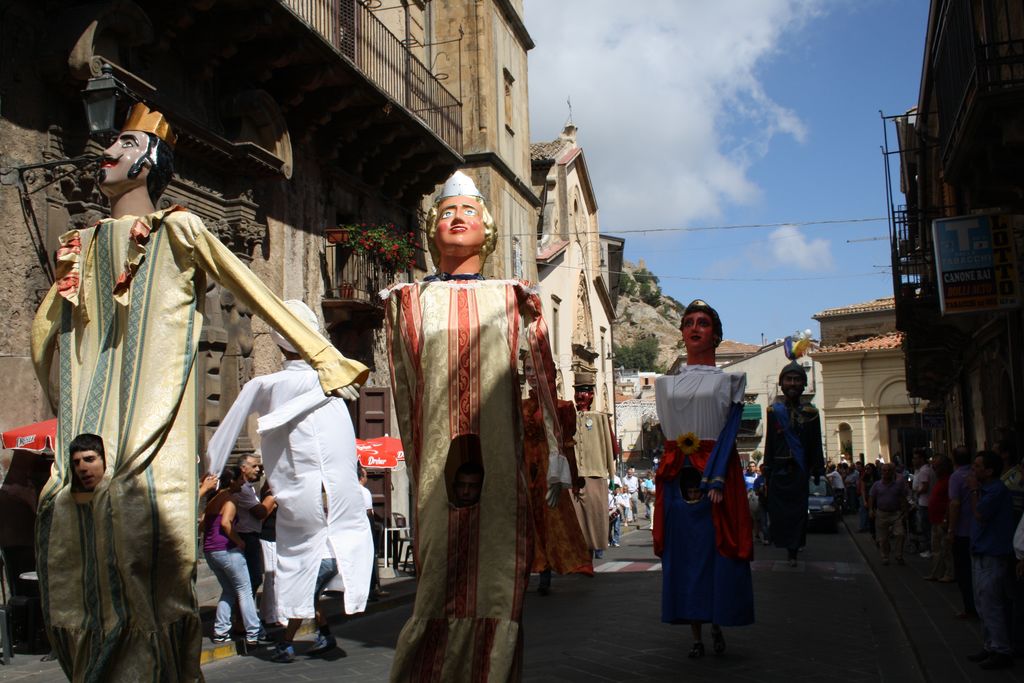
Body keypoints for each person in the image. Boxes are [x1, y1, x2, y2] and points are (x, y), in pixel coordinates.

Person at [29, 104, 368, 680]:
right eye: (111, 144)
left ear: (148, 163)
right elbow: (44, 329)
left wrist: (322, 354)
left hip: (151, 418)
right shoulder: (79, 245)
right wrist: (59, 399)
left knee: (141, 531)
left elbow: (249, 286)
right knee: (68, 523)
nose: (108, 152)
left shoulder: (178, 229)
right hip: (92, 411)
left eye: (125, 145)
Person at [383, 171, 570, 681]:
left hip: (499, 456)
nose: (457, 218)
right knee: (438, 578)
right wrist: (416, 460)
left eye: (468, 211)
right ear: (432, 229)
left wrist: (557, 450)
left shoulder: (512, 296)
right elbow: (405, 389)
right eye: (447, 212)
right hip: (437, 467)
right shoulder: (407, 300)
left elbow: (544, 372)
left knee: (496, 576)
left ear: (486, 228)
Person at [206, 299, 374, 663]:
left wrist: (214, 468)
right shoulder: (335, 379)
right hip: (337, 491)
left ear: (280, 344)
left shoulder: (272, 384)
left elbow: (229, 425)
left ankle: (295, 628)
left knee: (296, 558)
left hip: (298, 492)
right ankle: (317, 621)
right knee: (340, 540)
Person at [654, 299, 754, 659]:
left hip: (717, 476)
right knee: (685, 556)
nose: (695, 328)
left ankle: (718, 621)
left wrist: (716, 477)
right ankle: (695, 633)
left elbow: (729, 433)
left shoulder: (731, 381)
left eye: (703, 323)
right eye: (689, 323)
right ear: (682, 333)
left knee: (717, 552)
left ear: (715, 335)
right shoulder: (665, 385)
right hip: (678, 479)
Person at [521, 370, 592, 595]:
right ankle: (528, 569)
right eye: (527, 369)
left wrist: (573, 476)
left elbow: (568, 445)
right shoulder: (520, 406)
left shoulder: (561, 408)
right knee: (527, 519)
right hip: (526, 468)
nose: (531, 374)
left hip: (548, 469)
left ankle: (546, 571)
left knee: (551, 519)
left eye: (535, 369)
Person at [764, 360, 824, 566]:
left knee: (798, 513)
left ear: (803, 384)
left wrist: (818, 468)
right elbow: (770, 442)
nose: (792, 383)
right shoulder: (773, 412)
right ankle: (782, 540)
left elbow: (816, 442)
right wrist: (767, 467)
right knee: (779, 511)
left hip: (799, 470)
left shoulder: (811, 413)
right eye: (788, 379)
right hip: (779, 470)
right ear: (781, 384)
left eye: (797, 379)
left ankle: (794, 549)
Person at [202, 467, 264, 647]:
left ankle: (221, 631)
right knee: (245, 590)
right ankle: (254, 631)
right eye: (240, 480)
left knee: (229, 590)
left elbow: (203, 525)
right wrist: (239, 542)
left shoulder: (213, 499)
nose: (243, 483)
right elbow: (225, 523)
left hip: (211, 550)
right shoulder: (229, 500)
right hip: (227, 550)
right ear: (232, 482)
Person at [965, 451, 1014, 670]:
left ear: (989, 471)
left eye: (977, 466)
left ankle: (1002, 650)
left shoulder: (996, 491)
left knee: (991, 603)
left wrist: (974, 490)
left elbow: (980, 514)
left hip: (993, 552)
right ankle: (990, 645)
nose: (973, 470)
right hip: (980, 550)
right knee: (981, 602)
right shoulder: (987, 490)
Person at [572, 375, 617, 559]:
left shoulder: (600, 418)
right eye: (577, 391)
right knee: (576, 521)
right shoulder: (568, 417)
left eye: (584, 391)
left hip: (596, 474)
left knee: (595, 517)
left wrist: (612, 476)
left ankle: (592, 551)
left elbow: (610, 447)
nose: (580, 395)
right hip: (574, 477)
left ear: (591, 394)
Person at [233, 454, 270, 599]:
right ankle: (241, 610)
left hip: (252, 536)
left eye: (259, 466)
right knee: (253, 578)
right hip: (246, 537)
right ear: (243, 468)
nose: (258, 469)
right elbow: (260, 512)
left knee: (253, 578)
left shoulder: (249, 488)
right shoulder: (243, 489)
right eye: (254, 466)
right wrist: (271, 498)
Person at [948, 446, 977, 618]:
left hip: (962, 530)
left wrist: (951, 529)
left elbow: (955, 503)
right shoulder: (975, 475)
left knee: (964, 571)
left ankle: (970, 607)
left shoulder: (956, 477)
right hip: (977, 530)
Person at [869, 463, 909, 565]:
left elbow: (902, 498)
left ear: (892, 472)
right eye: (884, 470)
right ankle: (885, 556)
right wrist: (870, 509)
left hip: (896, 513)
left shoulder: (897, 485)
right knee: (883, 538)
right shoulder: (877, 485)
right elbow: (872, 497)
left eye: (889, 470)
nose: (886, 472)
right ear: (881, 472)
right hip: (882, 513)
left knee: (900, 534)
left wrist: (905, 511)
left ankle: (898, 555)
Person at [358, 466, 387, 601]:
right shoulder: (364, 492)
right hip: (365, 526)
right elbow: (369, 511)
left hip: (354, 528)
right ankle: (371, 589)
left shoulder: (350, 491)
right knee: (370, 556)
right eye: (366, 476)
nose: (367, 478)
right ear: (361, 477)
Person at [924, 456, 954, 583]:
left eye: (936, 466)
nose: (933, 468)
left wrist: (946, 519)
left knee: (946, 549)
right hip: (935, 520)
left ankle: (950, 573)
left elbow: (951, 502)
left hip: (942, 520)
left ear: (944, 467)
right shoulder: (939, 480)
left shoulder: (949, 481)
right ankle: (936, 573)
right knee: (936, 549)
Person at [911, 448, 933, 558]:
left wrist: (916, 493)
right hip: (924, 502)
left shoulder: (924, 471)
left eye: (915, 458)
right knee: (925, 527)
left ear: (922, 459)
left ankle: (929, 549)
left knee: (926, 527)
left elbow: (924, 487)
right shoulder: (921, 470)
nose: (913, 460)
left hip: (924, 502)